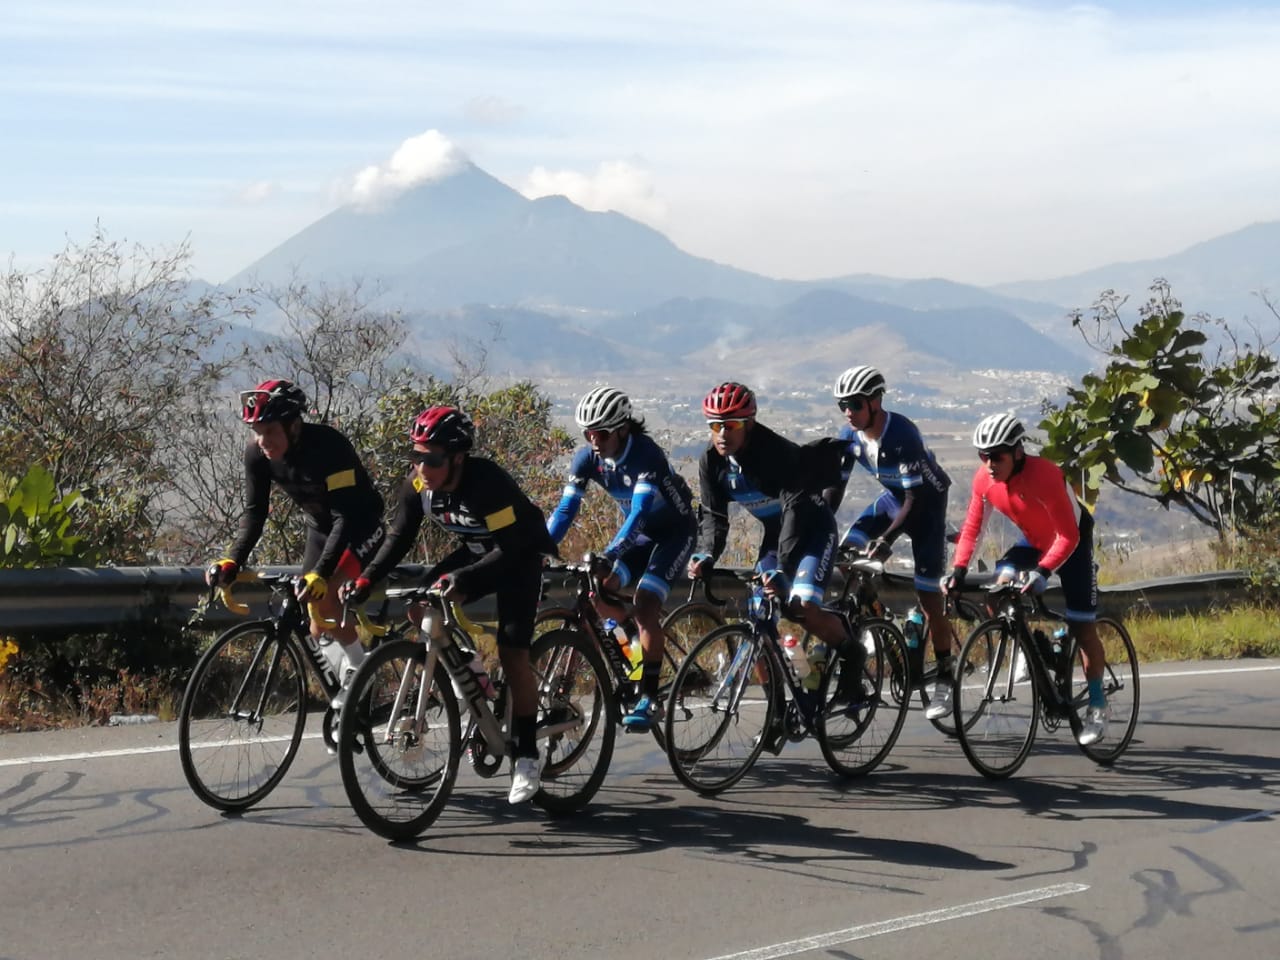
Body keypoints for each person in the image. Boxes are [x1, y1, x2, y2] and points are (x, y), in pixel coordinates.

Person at [339, 405, 557, 804]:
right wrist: (366, 579)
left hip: (518, 556)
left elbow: (509, 548)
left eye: (432, 459)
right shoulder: (419, 486)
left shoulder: (486, 482)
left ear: (457, 458)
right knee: (419, 607)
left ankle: (527, 755)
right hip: (477, 551)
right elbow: (398, 537)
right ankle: (470, 673)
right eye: (416, 456)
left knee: (513, 653)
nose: (422, 468)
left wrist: (464, 579)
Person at [690, 381, 867, 731]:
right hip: (777, 536)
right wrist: (706, 554)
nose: (722, 433)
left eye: (731, 425)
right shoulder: (711, 461)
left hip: (812, 530)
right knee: (759, 618)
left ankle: (852, 652)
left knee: (800, 607)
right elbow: (713, 516)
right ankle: (776, 710)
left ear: (749, 424)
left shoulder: (776, 454)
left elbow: (795, 513)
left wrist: (783, 570)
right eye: (714, 425)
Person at [207, 378, 385, 713]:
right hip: (320, 530)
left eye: (270, 431)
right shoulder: (257, 454)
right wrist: (232, 559)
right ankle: (353, 707)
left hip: (359, 526)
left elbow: (344, 516)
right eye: (257, 432)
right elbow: (255, 513)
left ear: (294, 425)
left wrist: (322, 572)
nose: (263, 441)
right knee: (317, 624)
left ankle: (362, 672)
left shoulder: (329, 446)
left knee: (327, 597)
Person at [943, 413, 1109, 745]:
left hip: (1071, 543)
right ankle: (1025, 644)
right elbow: (973, 529)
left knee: (1083, 627)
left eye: (997, 456)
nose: (989, 464)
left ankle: (1097, 704)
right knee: (998, 590)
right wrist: (958, 570)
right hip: (1033, 541)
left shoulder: (1045, 475)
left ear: (1018, 452)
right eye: (983, 455)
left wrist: (1043, 572)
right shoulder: (984, 479)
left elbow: (1068, 536)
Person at [547, 386, 696, 732]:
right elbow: (566, 510)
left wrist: (611, 553)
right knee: (601, 592)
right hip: (641, 537)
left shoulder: (646, 454)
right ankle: (635, 649)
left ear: (622, 429)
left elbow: (640, 512)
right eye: (587, 433)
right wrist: (540, 547)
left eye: (600, 433)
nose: (593, 441)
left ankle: (650, 697)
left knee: (645, 604)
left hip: (674, 534)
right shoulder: (587, 459)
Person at [827, 364, 959, 719]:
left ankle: (945, 674)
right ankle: (878, 618)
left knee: (930, 599)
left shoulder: (902, 434)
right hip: (893, 502)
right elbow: (835, 490)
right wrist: (820, 527)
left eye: (855, 404)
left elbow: (915, 500)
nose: (848, 412)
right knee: (846, 554)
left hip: (926, 508)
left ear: (875, 402)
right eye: (842, 405)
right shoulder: (850, 436)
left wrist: (886, 540)